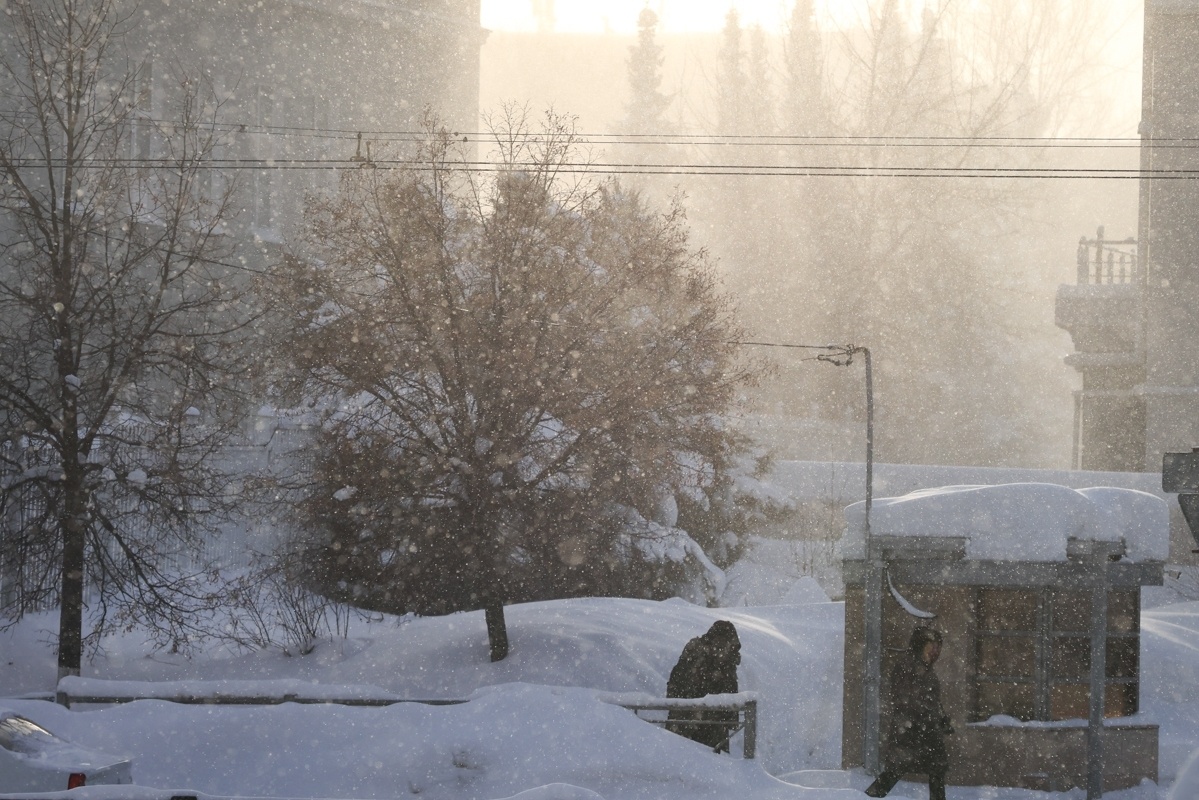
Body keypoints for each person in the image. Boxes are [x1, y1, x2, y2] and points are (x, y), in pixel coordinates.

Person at [865, 626, 953, 800]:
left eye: (938, 647)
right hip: (910, 731)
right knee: (895, 771)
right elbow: (904, 698)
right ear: (920, 646)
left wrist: (941, 719)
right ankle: (866, 797)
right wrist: (921, 717)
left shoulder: (926, 669)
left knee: (937, 769)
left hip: (926, 731)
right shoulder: (907, 667)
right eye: (931, 646)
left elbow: (932, 699)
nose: (935, 652)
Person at [665, 620, 742, 752]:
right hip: (706, 721)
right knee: (712, 762)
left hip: (691, 717)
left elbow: (676, 679)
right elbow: (729, 688)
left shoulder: (696, 649)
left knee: (679, 756)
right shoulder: (719, 656)